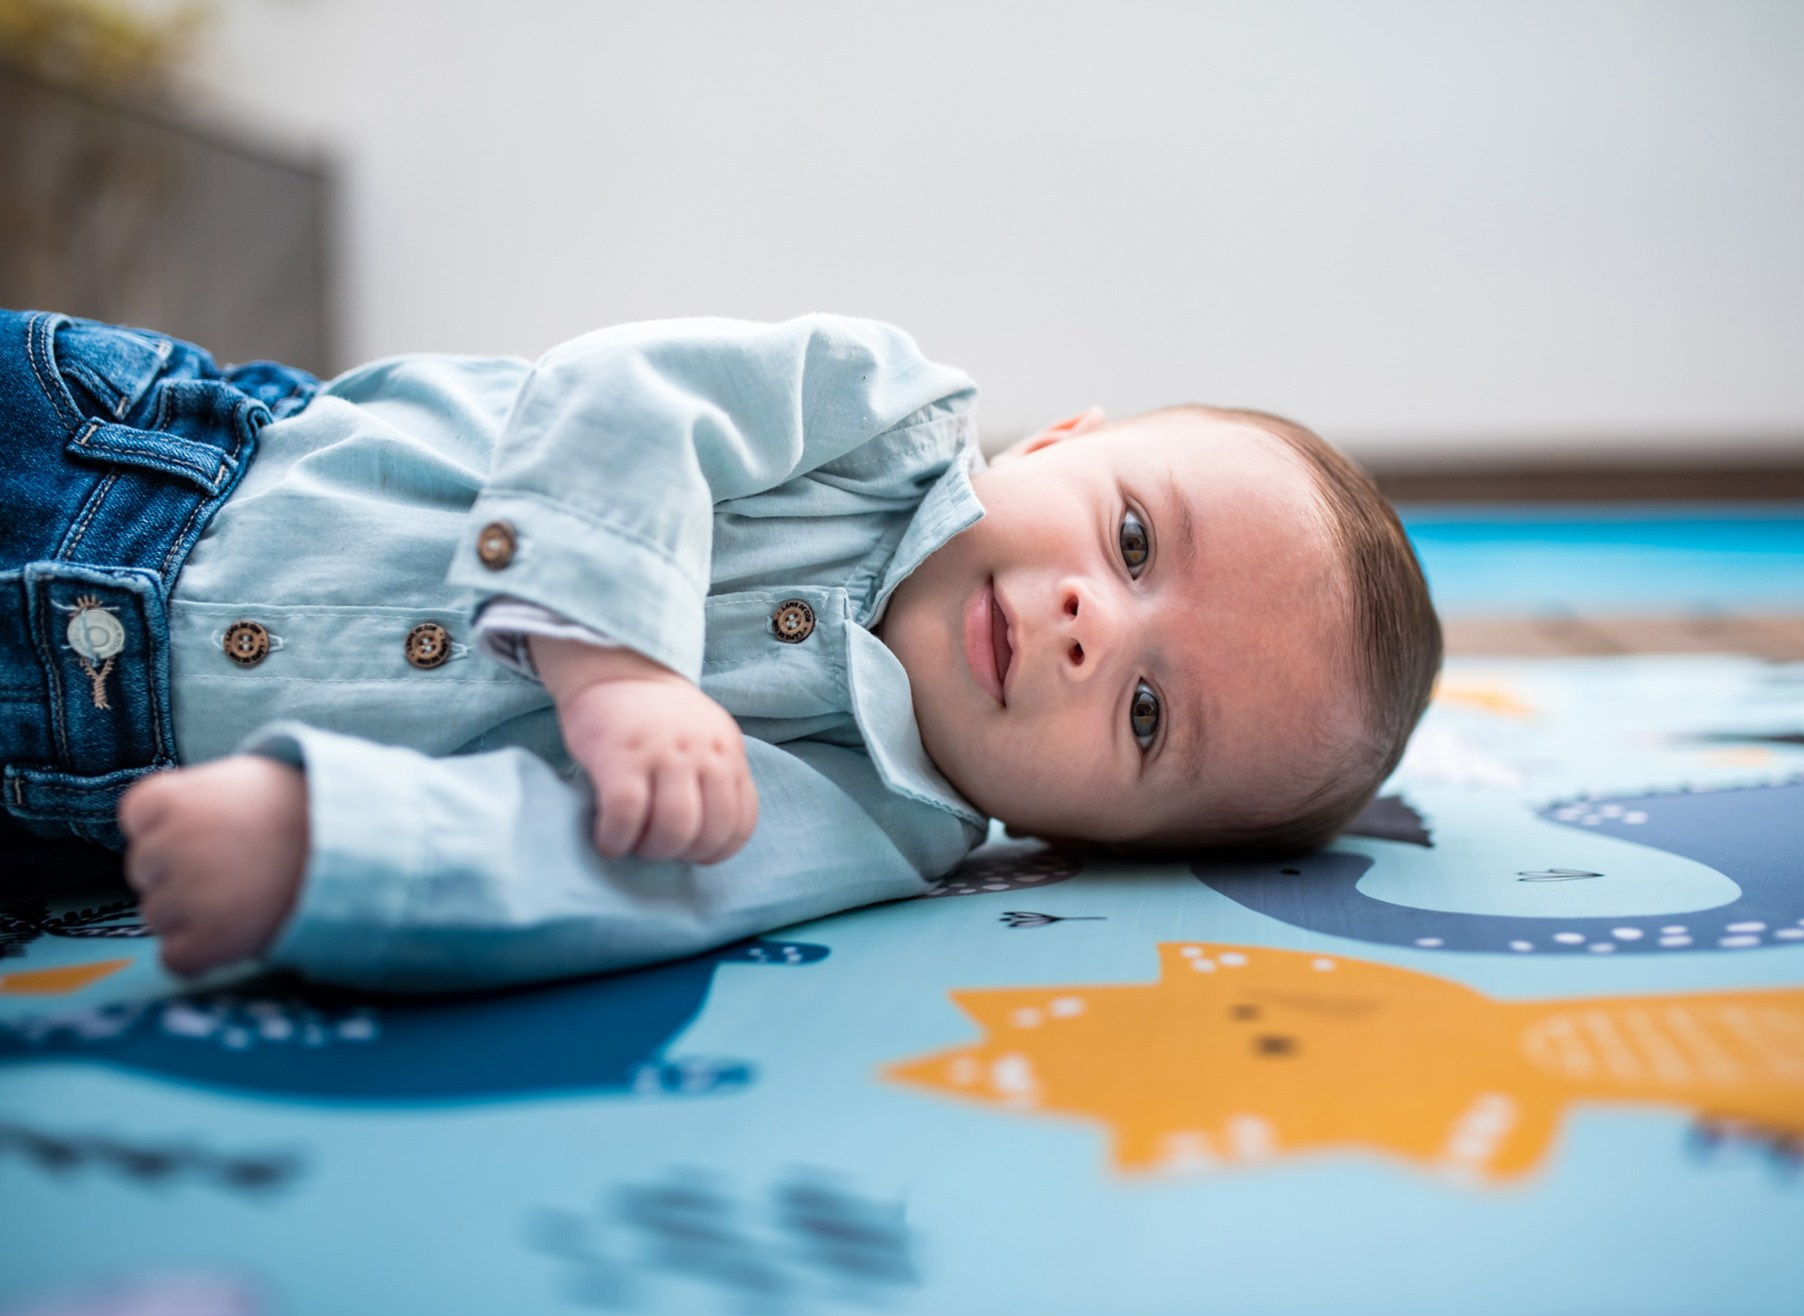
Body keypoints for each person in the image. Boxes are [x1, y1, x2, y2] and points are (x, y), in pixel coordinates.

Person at [1, 310, 1441, 992]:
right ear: (1065, 440)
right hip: (124, 466)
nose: (1091, 625)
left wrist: (331, 846)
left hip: (77, 786)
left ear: (1080, 838)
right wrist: (613, 664)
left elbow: (599, 871)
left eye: (1144, 716)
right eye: (1132, 543)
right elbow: (623, 392)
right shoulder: (878, 412)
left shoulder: (870, 825)